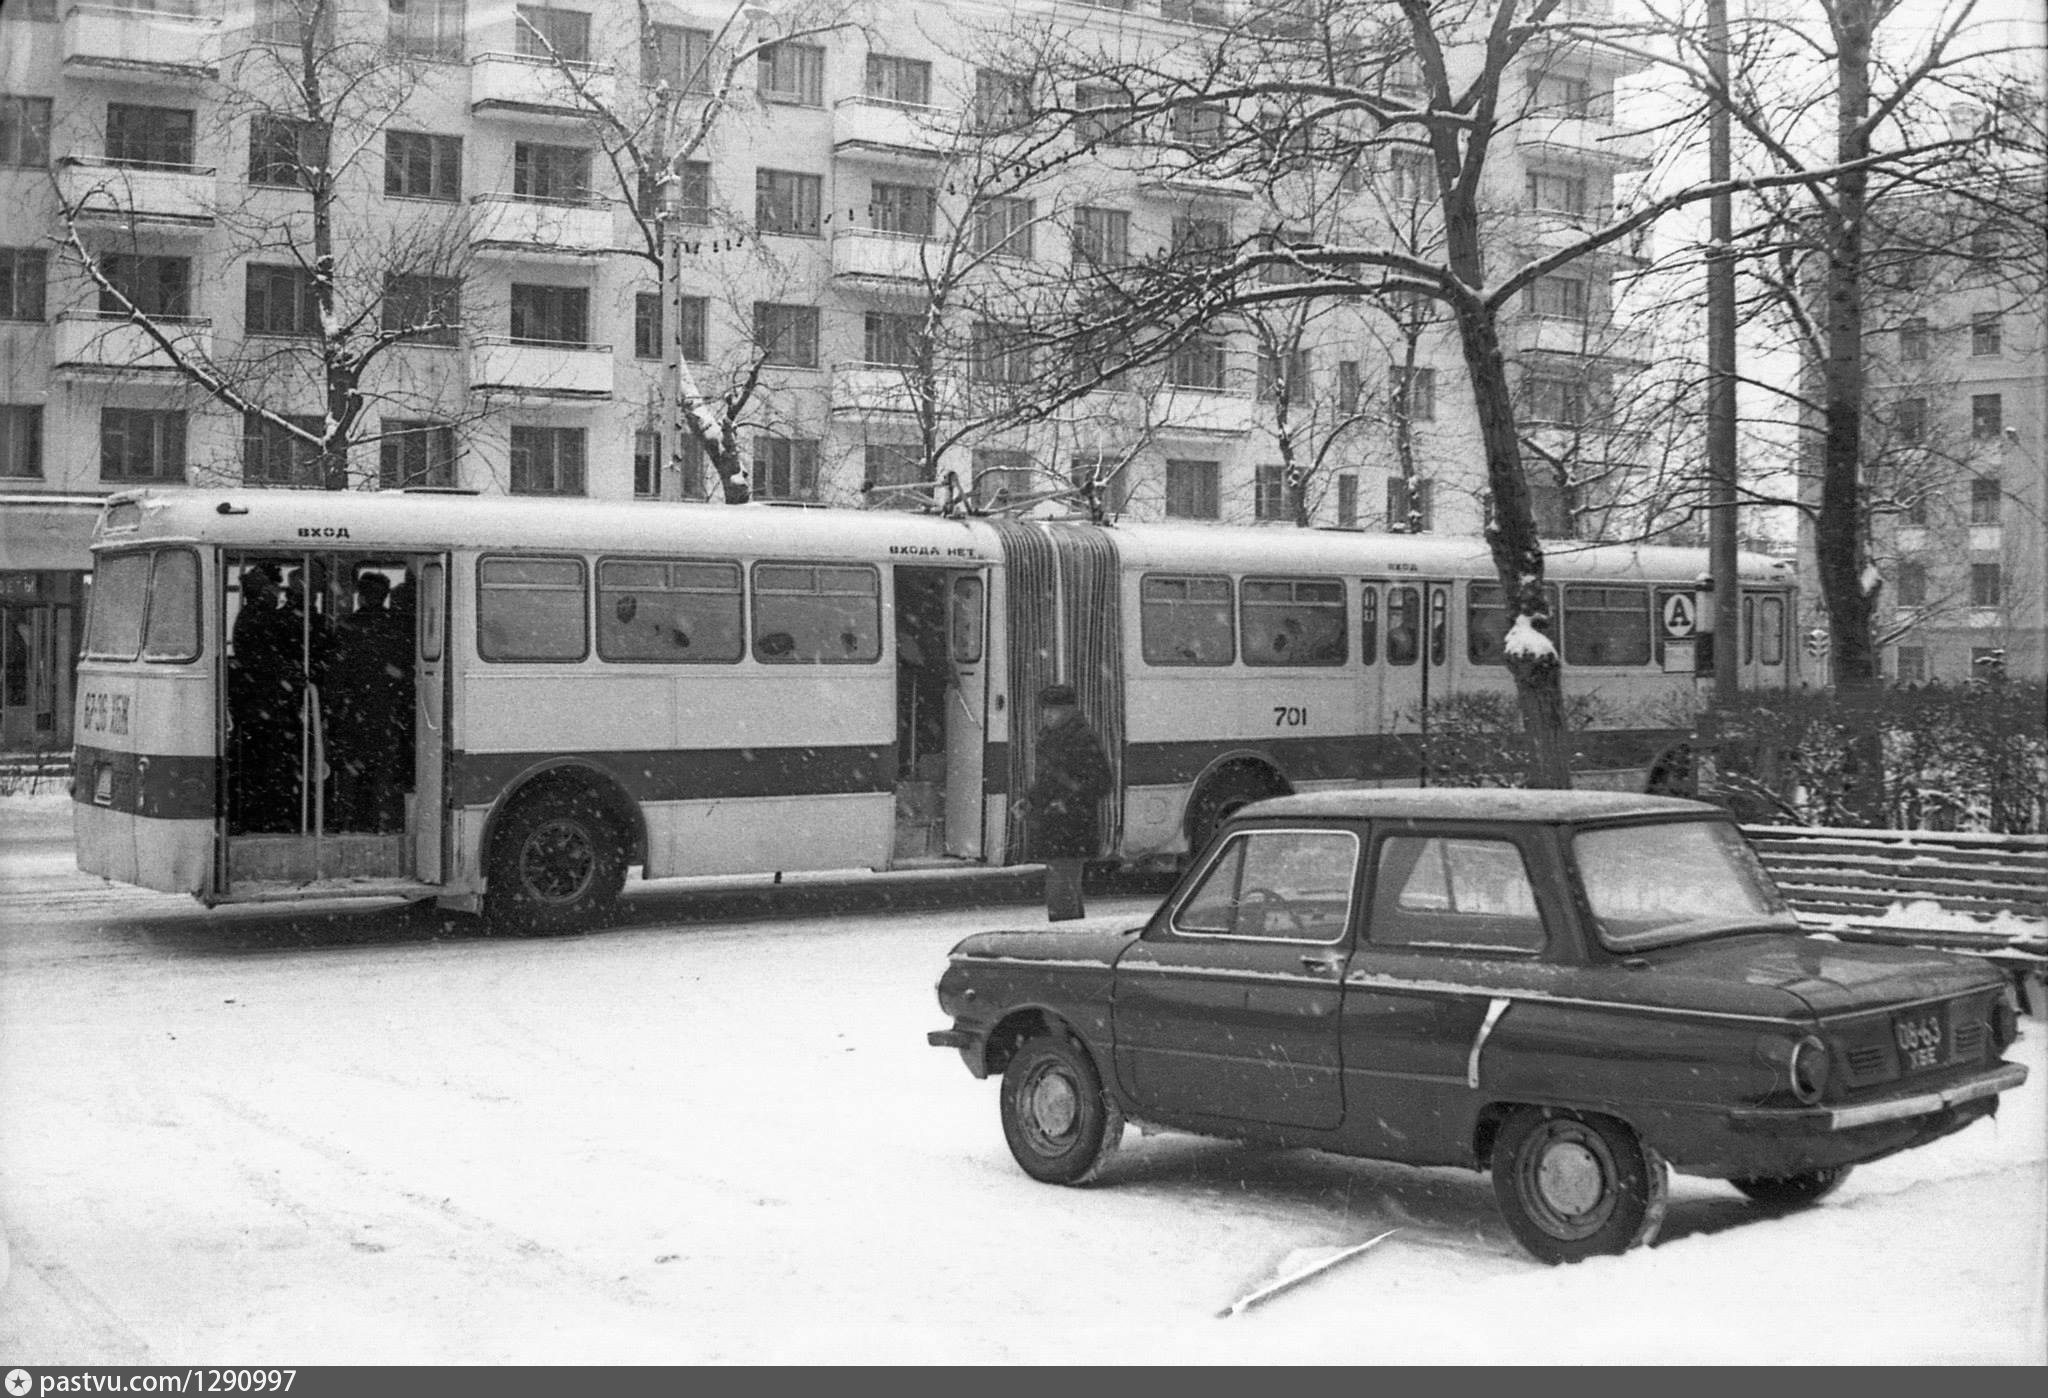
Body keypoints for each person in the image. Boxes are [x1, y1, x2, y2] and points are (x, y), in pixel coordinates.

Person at [322, 571, 411, 833]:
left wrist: (333, 704)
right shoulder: (398, 626)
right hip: (387, 708)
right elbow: (406, 671)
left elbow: (335, 671)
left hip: (354, 708)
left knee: (350, 767)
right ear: (384, 596)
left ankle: (346, 819)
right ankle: (381, 820)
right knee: (384, 767)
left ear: (361, 596)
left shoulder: (347, 626)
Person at [1019, 682, 1112, 922]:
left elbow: (1101, 782)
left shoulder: (1082, 738)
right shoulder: (1049, 737)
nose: (1047, 714)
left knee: (1062, 888)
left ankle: (1067, 936)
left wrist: (1068, 803)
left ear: (1069, 710)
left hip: (1073, 827)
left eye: (1053, 709)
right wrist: (1029, 800)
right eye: (1045, 709)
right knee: (1060, 888)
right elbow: (1047, 781)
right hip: (1055, 825)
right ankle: (1067, 932)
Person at [229, 563, 305, 833]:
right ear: (264, 591)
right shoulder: (263, 618)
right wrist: (295, 679)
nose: (278, 594)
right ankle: (271, 817)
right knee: (272, 765)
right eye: (274, 588)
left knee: (258, 764)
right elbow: (272, 661)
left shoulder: (250, 616)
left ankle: (259, 815)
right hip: (267, 705)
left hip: (256, 704)